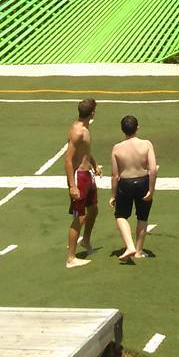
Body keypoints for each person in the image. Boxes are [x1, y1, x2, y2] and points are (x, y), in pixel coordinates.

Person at [109, 114, 158, 262]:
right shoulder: (146, 144)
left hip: (125, 183)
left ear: (122, 130)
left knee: (121, 216)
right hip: (143, 182)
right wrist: (151, 189)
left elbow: (114, 175)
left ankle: (129, 245)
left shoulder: (117, 148)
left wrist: (113, 195)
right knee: (142, 217)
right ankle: (138, 250)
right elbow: (153, 169)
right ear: (137, 128)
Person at [64, 98, 100, 267]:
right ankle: (71, 258)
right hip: (79, 177)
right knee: (80, 217)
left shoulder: (86, 128)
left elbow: (85, 151)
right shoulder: (77, 132)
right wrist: (72, 186)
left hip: (88, 174)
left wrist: (94, 165)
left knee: (93, 209)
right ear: (92, 112)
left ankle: (85, 241)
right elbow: (68, 160)